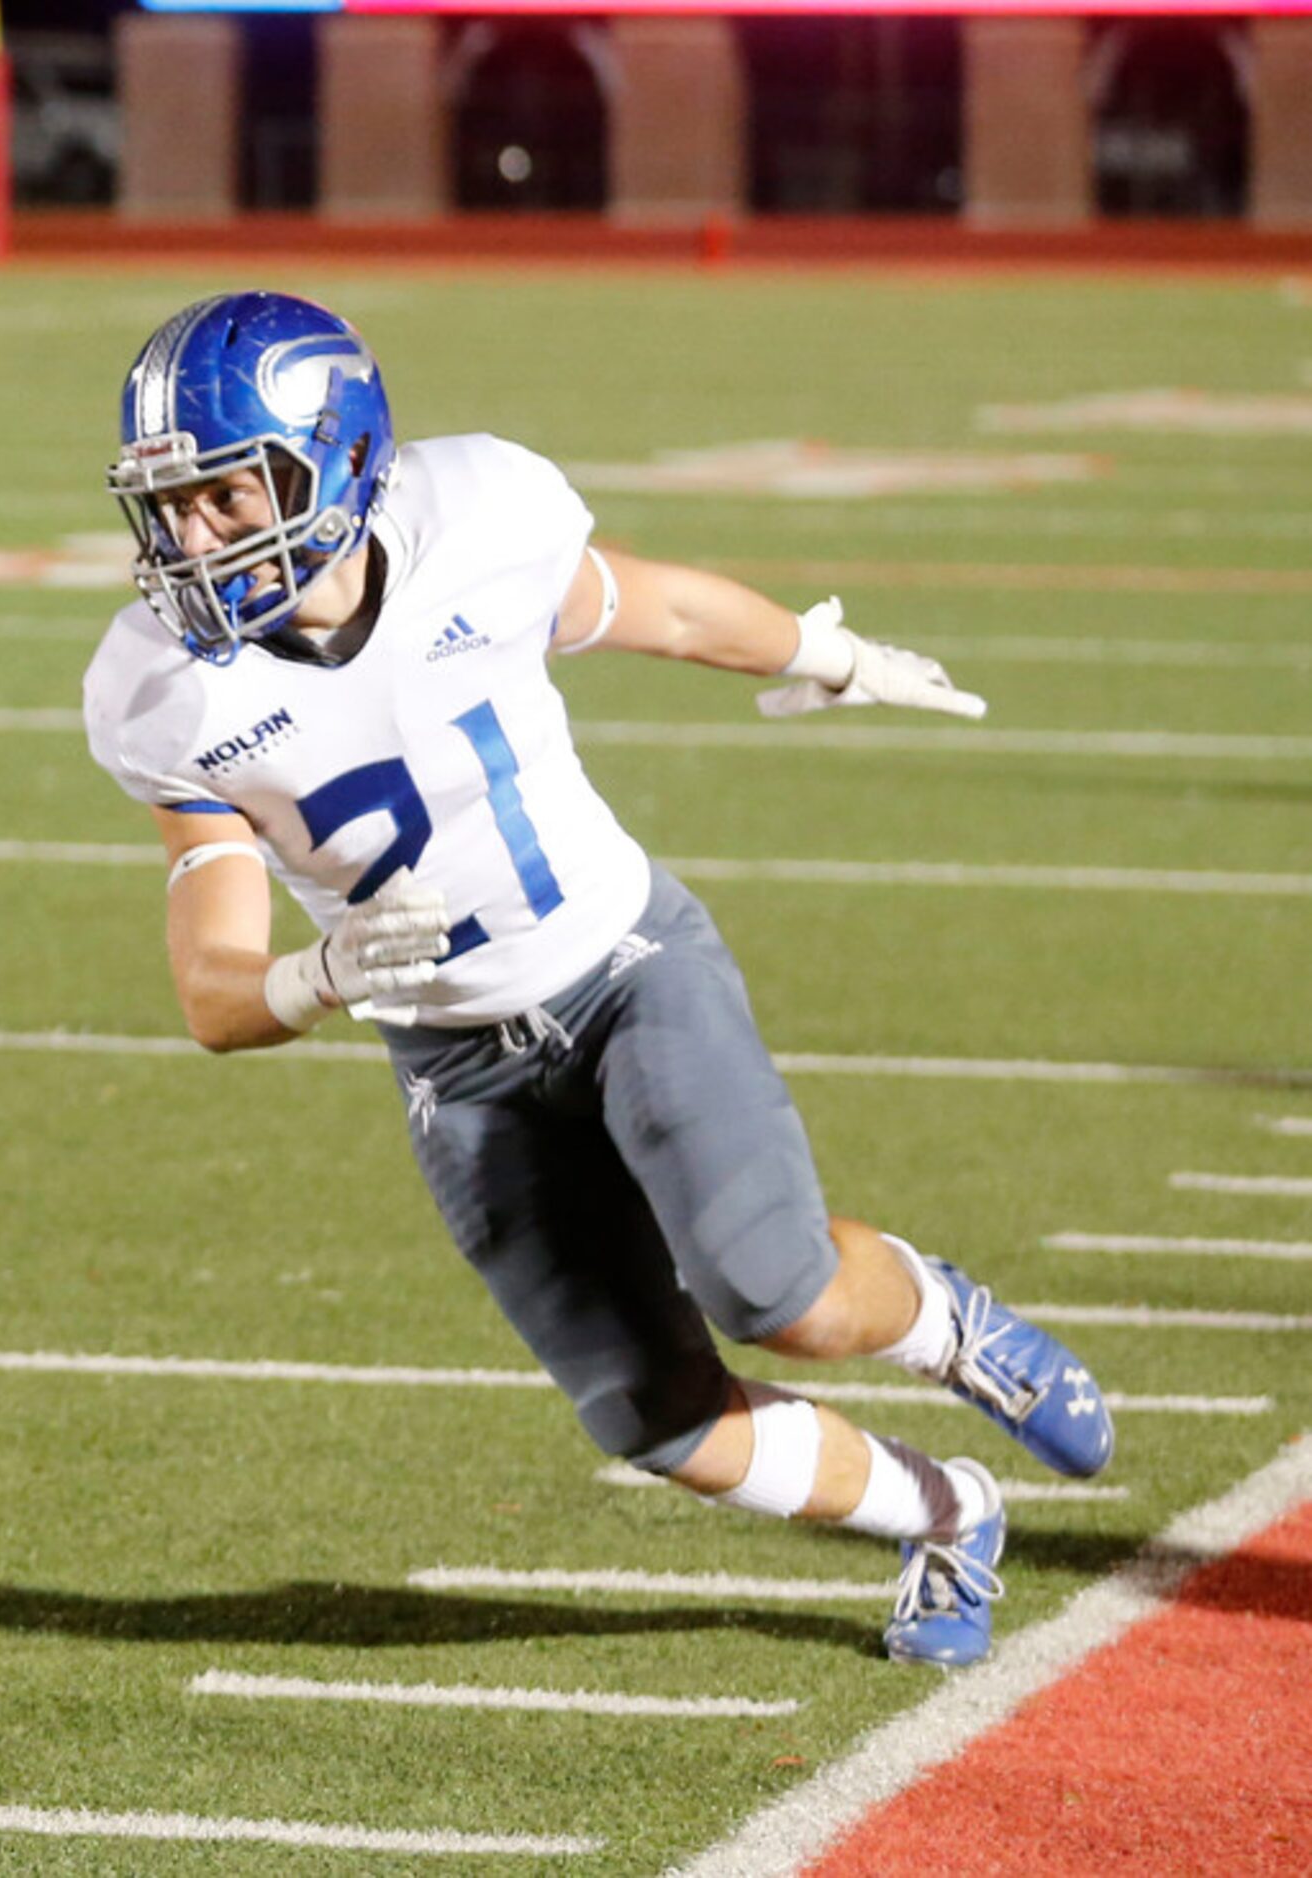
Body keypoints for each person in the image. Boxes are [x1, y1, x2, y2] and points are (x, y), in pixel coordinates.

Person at [82, 292, 1113, 1668]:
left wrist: (834, 654)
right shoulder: (160, 688)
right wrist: (314, 971)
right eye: (171, 505)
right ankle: (951, 1512)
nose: (194, 539)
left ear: (334, 461)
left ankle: (948, 1320)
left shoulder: (479, 515)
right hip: (457, 1063)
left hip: (623, 965)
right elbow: (213, 990)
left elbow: (661, 608)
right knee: (656, 1414)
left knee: (774, 1289)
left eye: (224, 492)